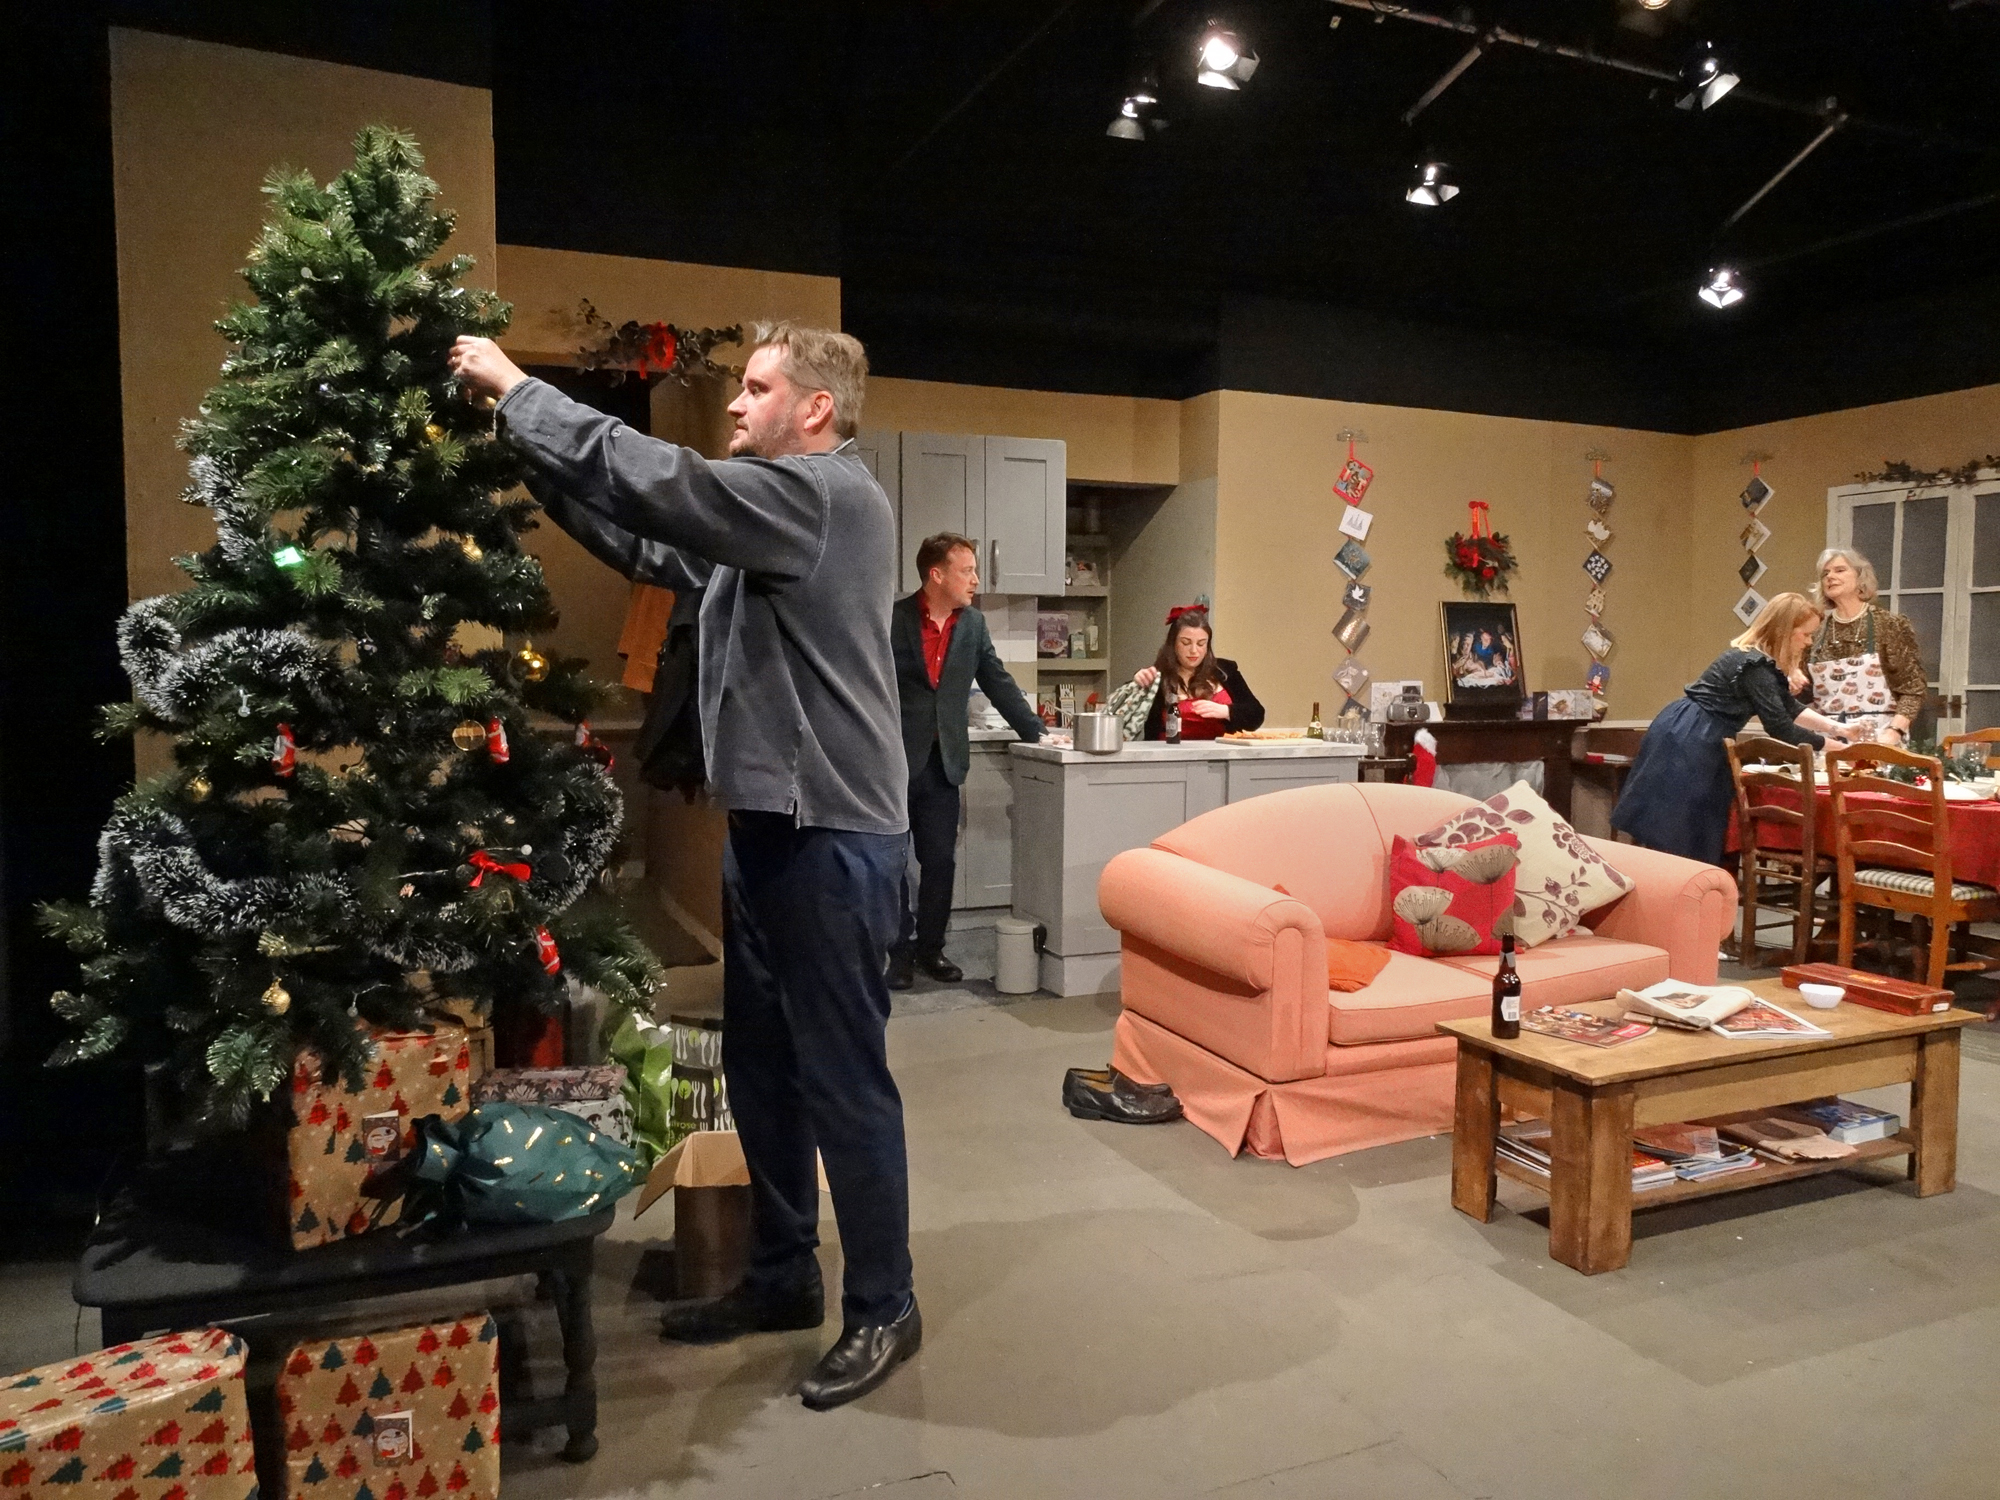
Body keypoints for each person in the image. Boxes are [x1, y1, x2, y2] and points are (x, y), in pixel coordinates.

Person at [448, 322, 920, 1411]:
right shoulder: (763, 520)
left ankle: (884, 1304)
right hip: (770, 832)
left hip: (835, 839)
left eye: (755, 389)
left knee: (842, 1084)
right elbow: (652, 541)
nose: (735, 406)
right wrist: (522, 445)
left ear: (814, 408)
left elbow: (666, 484)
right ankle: (782, 1275)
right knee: (762, 1072)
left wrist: (519, 390)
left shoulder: (824, 497)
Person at [888, 531, 1044, 990]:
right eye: (967, 571)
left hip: (944, 763)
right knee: (890, 865)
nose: (976, 579)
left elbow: (997, 679)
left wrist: (1036, 731)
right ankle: (896, 952)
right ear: (936, 575)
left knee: (940, 861)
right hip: (893, 762)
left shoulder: (973, 624)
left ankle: (930, 949)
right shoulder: (893, 618)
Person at [1612, 592, 1852, 867]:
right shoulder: (1755, 667)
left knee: (1683, 826)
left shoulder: (1755, 660)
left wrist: (1839, 728)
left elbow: (1789, 707)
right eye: (1806, 634)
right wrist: (1838, 748)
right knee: (1679, 828)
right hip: (1693, 737)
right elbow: (1781, 727)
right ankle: (1675, 886)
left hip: (1686, 726)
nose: (1808, 642)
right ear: (1785, 631)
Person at [1803, 546, 1926, 747]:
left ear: (1861, 578)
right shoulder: (1816, 631)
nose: (1830, 577)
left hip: (1878, 737)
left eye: (1839, 570)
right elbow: (1803, 693)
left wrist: (1894, 732)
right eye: (1825, 574)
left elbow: (1913, 689)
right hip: (1827, 740)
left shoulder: (1888, 625)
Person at [1106, 605, 1265, 740]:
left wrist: (1226, 711)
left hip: (1221, 755)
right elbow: (1121, 712)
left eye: (1201, 644)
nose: (1194, 650)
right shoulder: (1158, 678)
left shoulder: (1225, 671)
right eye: (1186, 643)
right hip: (1168, 759)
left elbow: (1256, 715)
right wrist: (1137, 683)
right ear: (1173, 644)